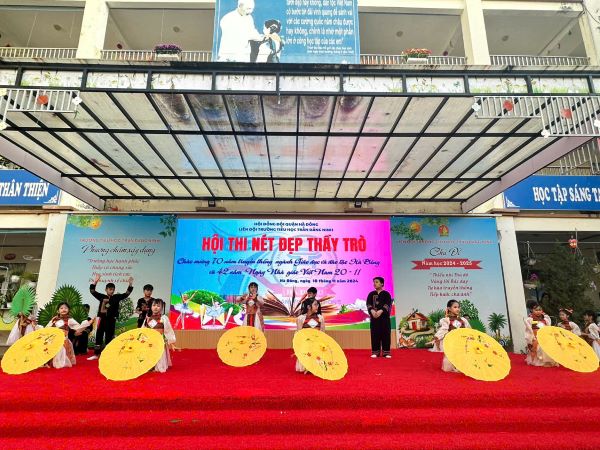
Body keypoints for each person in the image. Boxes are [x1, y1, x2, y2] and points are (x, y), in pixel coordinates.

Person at [88, 274, 134, 360]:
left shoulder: (116, 297)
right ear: (106, 290)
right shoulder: (102, 296)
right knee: (99, 335)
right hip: (102, 319)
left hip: (111, 320)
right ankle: (96, 354)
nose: (111, 291)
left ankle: (108, 354)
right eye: (110, 289)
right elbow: (92, 291)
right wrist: (95, 281)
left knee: (109, 337)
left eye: (113, 289)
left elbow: (126, 294)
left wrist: (130, 285)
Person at [46, 302, 92, 369]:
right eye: (61, 308)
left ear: (68, 310)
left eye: (65, 308)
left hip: (64, 339)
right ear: (58, 310)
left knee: (63, 352)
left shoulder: (70, 319)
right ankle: (52, 363)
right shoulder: (54, 319)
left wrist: (87, 323)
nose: (63, 309)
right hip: (55, 339)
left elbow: (78, 327)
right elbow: (47, 327)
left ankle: (61, 363)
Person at [432, 299, 471, 372]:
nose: (457, 309)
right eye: (455, 307)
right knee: (449, 361)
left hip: (462, 341)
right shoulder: (446, 320)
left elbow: (469, 330)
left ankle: (461, 367)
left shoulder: (463, 320)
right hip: (452, 342)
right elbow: (443, 330)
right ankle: (452, 366)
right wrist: (437, 337)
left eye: (458, 307)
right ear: (449, 308)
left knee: (462, 355)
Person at [142, 298, 176, 373]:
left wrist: (172, 342)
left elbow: (168, 330)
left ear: (161, 308)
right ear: (151, 307)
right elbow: (143, 330)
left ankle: (158, 367)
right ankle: (150, 366)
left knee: (159, 354)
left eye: (158, 306)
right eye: (154, 305)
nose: (156, 307)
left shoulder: (164, 318)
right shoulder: (148, 318)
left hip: (159, 340)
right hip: (150, 340)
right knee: (150, 353)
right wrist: (142, 340)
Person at [295, 297, 325, 374]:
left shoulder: (320, 318)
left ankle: (316, 367)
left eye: (317, 305)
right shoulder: (301, 318)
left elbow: (322, 332)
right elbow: (299, 332)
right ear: (308, 307)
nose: (317, 306)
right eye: (315, 305)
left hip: (317, 342)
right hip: (306, 343)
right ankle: (306, 367)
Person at [524, 300, 557, 367]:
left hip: (544, 336)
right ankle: (539, 361)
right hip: (535, 337)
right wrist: (532, 337)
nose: (538, 311)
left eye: (540, 310)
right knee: (537, 346)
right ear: (532, 310)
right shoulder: (530, 319)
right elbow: (529, 330)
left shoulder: (545, 319)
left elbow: (548, 328)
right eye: (536, 310)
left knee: (548, 346)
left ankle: (548, 361)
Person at [366, 276, 393, 358]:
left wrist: (381, 311)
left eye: (377, 282)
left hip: (384, 319)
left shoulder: (386, 294)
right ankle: (375, 352)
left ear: (382, 284)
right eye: (374, 282)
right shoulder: (371, 294)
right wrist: (372, 311)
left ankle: (386, 353)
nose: (375, 283)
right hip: (374, 319)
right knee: (375, 335)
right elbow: (368, 304)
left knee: (385, 335)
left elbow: (388, 304)